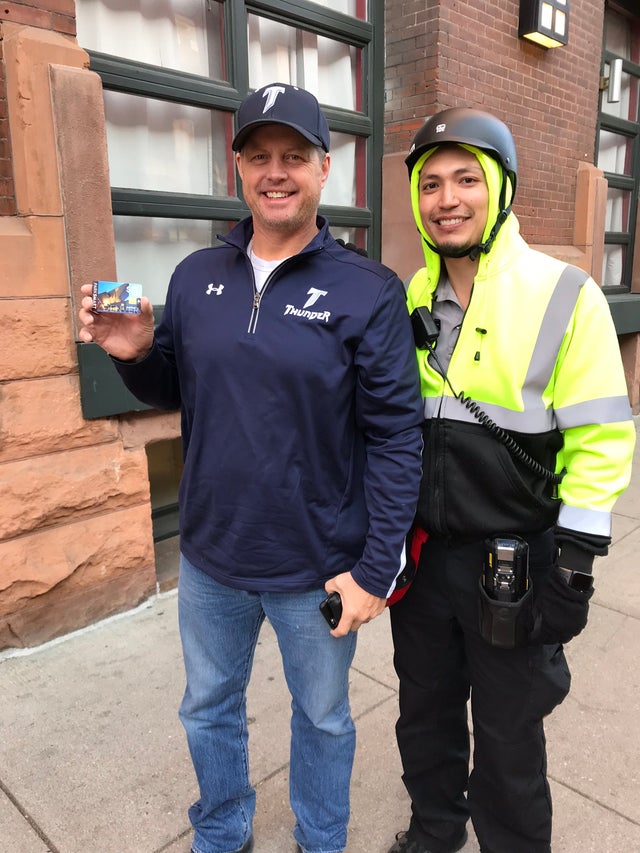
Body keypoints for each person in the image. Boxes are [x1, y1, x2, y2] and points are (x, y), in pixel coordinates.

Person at [78, 82, 424, 853]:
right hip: (212, 558)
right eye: (259, 155)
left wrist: (375, 569)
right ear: (236, 167)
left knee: (323, 717)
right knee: (207, 706)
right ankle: (223, 828)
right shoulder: (194, 276)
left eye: (294, 156)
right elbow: (175, 386)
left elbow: (398, 438)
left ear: (324, 169)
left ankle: (321, 837)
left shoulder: (368, 290)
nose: (276, 172)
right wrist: (134, 354)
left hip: (318, 566)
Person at [388, 107, 636, 853]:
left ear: (500, 188)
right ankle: (435, 831)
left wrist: (575, 565)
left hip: (515, 563)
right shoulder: (409, 295)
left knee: (508, 739)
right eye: (430, 184)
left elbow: (601, 440)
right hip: (424, 561)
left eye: (467, 179)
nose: (447, 199)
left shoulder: (566, 294)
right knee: (423, 716)